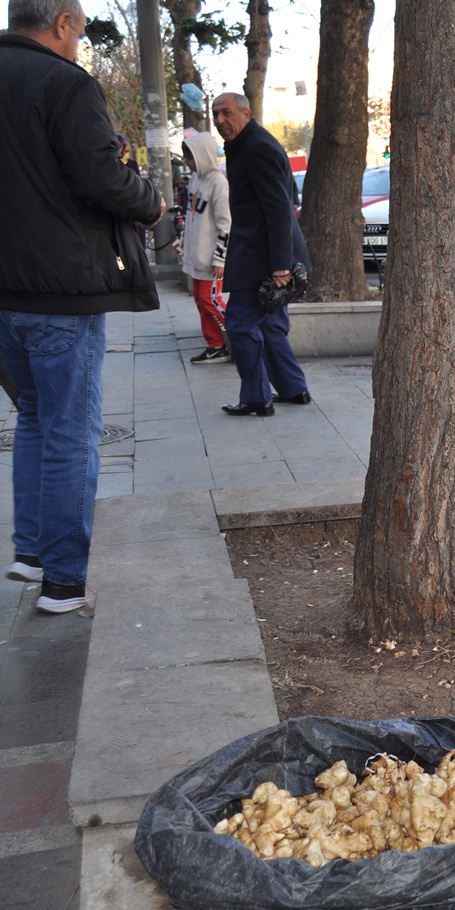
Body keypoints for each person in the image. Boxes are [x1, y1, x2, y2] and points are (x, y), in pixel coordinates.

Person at [0, 0, 164, 613]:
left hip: (5, 292)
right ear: (62, 22)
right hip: (63, 289)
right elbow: (100, 177)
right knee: (70, 429)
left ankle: (31, 553)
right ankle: (63, 582)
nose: (79, 42)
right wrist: (151, 205)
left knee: (35, 418)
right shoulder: (64, 82)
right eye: (80, 30)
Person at [210, 92, 311, 416]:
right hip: (261, 255)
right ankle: (294, 389)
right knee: (269, 326)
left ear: (245, 112)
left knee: (240, 325)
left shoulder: (258, 148)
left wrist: (281, 267)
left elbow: (280, 210)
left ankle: (256, 398)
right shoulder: (247, 145)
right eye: (215, 114)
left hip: (263, 261)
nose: (220, 120)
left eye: (226, 113)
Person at [179, 128, 233, 365]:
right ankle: (215, 345)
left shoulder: (218, 183)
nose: (187, 162)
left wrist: (220, 258)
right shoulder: (196, 179)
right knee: (201, 301)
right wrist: (182, 244)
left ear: (201, 155)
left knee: (210, 300)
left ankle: (240, 336)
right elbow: (192, 217)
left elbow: (226, 225)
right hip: (197, 257)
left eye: (189, 157)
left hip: (211, 259)